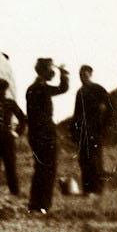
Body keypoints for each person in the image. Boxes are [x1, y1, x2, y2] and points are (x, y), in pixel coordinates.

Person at [25, 57, 69, 214]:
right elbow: (63, 88)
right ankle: (43, 205)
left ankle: (35, 204)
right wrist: (64, 74)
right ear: (44, 71)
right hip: (45, 134)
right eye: (51, 69)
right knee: (48, 169)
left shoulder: (33, 87)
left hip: (36, 134)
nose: (53, 72)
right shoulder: (41, 88)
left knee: (40, 169)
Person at [70, 65, 115, 195]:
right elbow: (77, 113)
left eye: (85, 74)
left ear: (90, 74)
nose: (82, 77)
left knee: (95, 160)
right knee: (84, 160)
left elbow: (111, 108)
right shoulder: (80, 92)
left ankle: (97, 190)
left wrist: (104, 126)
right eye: (80, 75)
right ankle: (87, 190)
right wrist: (73, 131)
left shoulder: (98, 89)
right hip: (83, 132)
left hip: (95, 131)